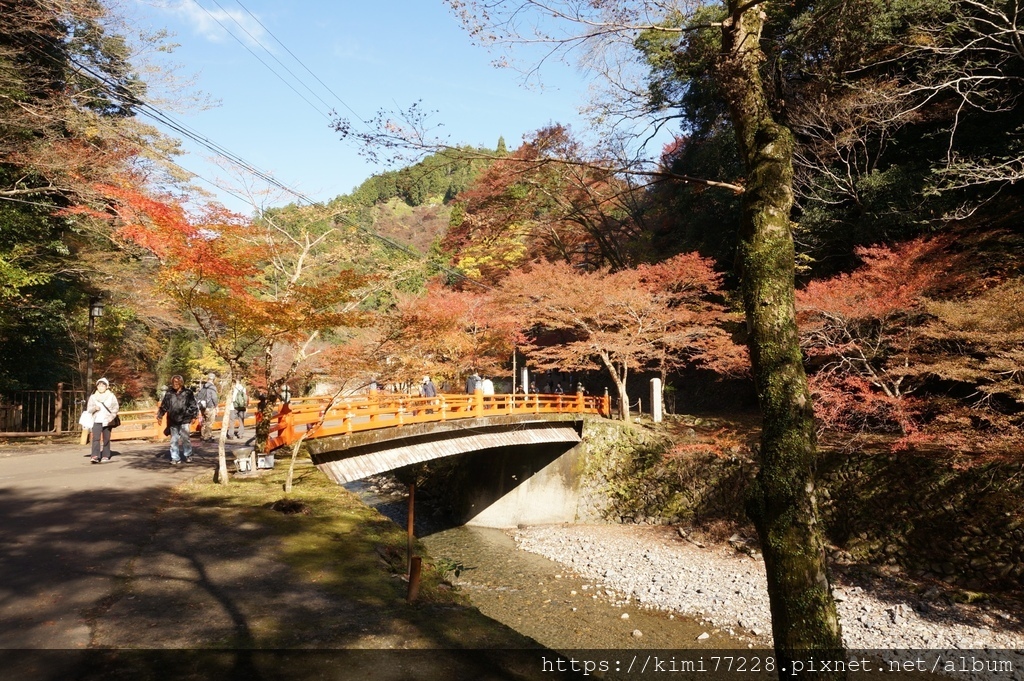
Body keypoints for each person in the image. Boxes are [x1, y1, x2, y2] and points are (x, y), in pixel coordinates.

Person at [157, 375, 198, 465]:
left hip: (185, 419)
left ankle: (188, 455)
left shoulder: (188, 392)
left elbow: (193, 405)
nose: (175, 384)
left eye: (177, 382)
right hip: (173, 419)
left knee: (185, 438)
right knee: (174, 440)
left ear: (181, 383)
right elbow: (164, 406)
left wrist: (194, 416)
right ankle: (175, 457)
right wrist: (160, 416)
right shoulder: (169, 393)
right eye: (173, 382)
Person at [86, 377, 119, 463]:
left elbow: (115, 408)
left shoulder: (111, 396)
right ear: (97, 387)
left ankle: (105, 455)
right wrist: (94, 408)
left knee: (106, 439)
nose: (101, 387)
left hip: (107, 420)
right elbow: (89, 409)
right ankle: (95, 455)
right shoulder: (93, 397)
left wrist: (111, 417)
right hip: (96, 420)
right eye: (99, 386)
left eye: (103, 386)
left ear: (107, 387)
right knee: (95, 438)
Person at [196, 373, 219, 442]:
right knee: (209, 422)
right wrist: (216, 406)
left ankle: (203, 436)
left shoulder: (204, 386)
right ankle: (208, 437)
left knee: (204, 421)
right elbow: (214, 398)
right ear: (214, 379)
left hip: (203, 406)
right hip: (210, 407)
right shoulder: (212, 387)